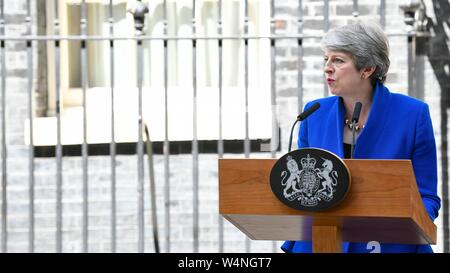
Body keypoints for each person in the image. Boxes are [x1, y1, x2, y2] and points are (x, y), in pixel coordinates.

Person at [281, 21, 441, 253]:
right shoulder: (313, 114)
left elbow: (426, 196)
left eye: (338, 60)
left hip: (388, 246)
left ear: (367, 69)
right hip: (319, 244)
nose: (327, 67)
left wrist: (403, 231)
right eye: (326, 59)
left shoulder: (412, 115)